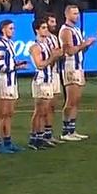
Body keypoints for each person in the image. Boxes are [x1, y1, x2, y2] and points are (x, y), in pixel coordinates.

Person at [59, 5, 97, 141]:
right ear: (67, 15)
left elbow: (79, 50)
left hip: (79, 66)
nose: (77, 16)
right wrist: (85, 44)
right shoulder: (66, 31)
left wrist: (86, 46)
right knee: (70, 100)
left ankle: (72, 129)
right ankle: (65, 131)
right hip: (70, 67)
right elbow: (69, 51)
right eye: (74, 13)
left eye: (77, 13)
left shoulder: (76, 29)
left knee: (77, 100)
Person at [28, 19, 63, 149]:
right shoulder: (35, 46)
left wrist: (55, 57)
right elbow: (40, 64)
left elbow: (49, 63)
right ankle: (33, 138)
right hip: (40, 81)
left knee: (45, 111)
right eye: (43, 28)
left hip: (48, 80)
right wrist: (53, 57)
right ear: (37, 30)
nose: (46, 30)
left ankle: (40, 136)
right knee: (39, 111)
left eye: (46, 27)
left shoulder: (46, 45)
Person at [0, 20, 23, 154]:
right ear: (3, 29)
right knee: (1, 113)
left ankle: (8, 141)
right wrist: (16, 67)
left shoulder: (10, 43)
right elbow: (0, 66)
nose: (13, 30)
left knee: (9, 113)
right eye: (11, 28)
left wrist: (16, 64)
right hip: (4, 81)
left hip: (11, 80)